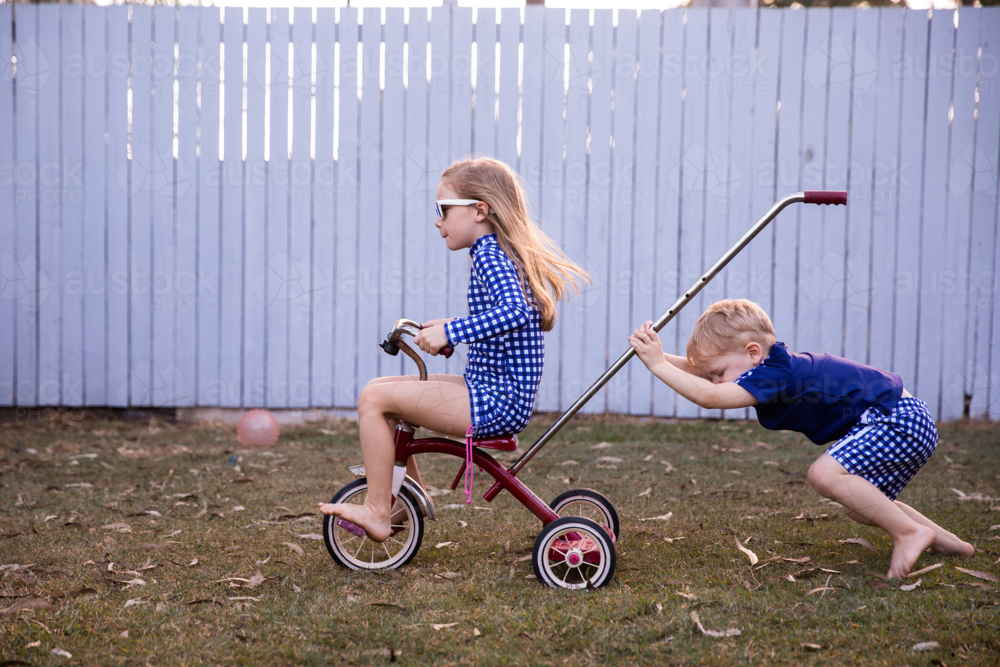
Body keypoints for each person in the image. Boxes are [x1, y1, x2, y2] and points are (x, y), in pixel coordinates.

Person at [319, 157, 589, 542]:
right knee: (384, 392)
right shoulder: (495, 252)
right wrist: (444, 328)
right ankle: (398, 504)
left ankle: (380, 511)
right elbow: (504, 314)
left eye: (443, 209)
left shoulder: (491, 254)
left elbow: (515, 311)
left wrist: (453, 331)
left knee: (373, 398)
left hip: (495, 401)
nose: (437, 220)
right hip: (490, 389)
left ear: (480, 210)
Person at [628, 299, 974, 579]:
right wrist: (652, 354)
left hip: (895, 418)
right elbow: (700, 374)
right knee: (864, 504)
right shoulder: (766, 365)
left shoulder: (775, 372)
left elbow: (711, 397)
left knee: (823, 475)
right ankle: (947, 541)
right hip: (900, 418)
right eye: (713, 375)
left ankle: (909, 533)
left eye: (719, 373)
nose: (717, 381)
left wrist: (657, 365)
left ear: (752, 353)